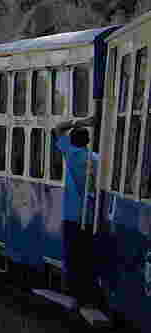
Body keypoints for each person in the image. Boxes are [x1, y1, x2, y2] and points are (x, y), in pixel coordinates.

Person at [53, 116, 100, 307]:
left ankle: (73, 294)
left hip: (71, 215)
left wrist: (83, 121)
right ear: (88, 142)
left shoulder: (70, 154)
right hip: (90, 216)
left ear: (71, 142)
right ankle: (87, 291)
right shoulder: (96, 159)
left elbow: (58, 128)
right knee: (85, 255)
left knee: (71, 256)